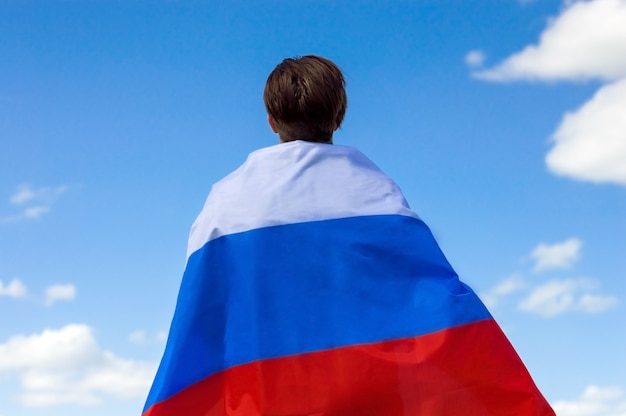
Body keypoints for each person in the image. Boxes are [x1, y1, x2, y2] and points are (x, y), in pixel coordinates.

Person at [142, 55, 555, 416]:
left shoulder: (227, 202)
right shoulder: (375, 194)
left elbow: (203, 315)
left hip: (265, 395)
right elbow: (428, 293)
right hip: (370, 396)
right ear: (339, 116)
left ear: (270, 120)